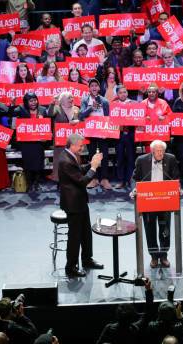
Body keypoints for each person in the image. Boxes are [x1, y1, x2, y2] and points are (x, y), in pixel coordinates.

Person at [58, 133, 104, 278]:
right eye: (80, 145)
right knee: (75, 236)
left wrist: (91, 164)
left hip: (80, 201)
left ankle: (86, 260)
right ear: (72, 145)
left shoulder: (70, 155)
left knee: (86, 233)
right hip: (73, 204)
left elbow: (78, 170)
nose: (82, 147)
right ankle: (70, 267)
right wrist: (94, 167)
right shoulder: (65, 160)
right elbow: (82, 181)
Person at [132, 140, 180, 268]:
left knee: (165, 229)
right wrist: (135, 189)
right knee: (150, 229)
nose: (160, 153)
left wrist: (178, 188)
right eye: (158, 151)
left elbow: (175, 178)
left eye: (162, 151)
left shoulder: (171, 159)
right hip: (148, 201)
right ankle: (153, 256)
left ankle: (164, 256)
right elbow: (135, 178)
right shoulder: (141, 160)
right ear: (152, 151)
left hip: (165, 200)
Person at [8, 93, 47, 191]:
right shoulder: (19, 110)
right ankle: (29, 183)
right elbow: (13, 125)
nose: (34, 103)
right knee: (28, 164)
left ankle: (37, 183)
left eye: (35, 100)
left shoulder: (42, 110)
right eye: (31, 101)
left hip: (39, 142)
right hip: (26, 142)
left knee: (38, 163)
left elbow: (47, 124)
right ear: (26, 102)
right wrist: (12, 107)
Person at [48, 92, 81, 182]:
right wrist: (52, 104)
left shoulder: (76, 109)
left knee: (73, 160)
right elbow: (50, 114)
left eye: (72, 97)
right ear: (62, 100)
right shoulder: (57, 108)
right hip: (60, 140)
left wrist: (77, 121)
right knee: (60, 160)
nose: (71, 99)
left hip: (73, 141)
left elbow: (81, 120)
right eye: (69, 98)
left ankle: (74, 180)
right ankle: (60, 180)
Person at [114, 85, 137, 189]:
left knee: (131, 158)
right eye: (120, 92)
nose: (123, 94)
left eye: (124, 92)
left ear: (127, 93)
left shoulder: (134, 104)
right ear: (117, 94)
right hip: (118, 135)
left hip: (131, 134)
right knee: (120, 158)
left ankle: (131, 179)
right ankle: (121, 180)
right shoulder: (114, 105)